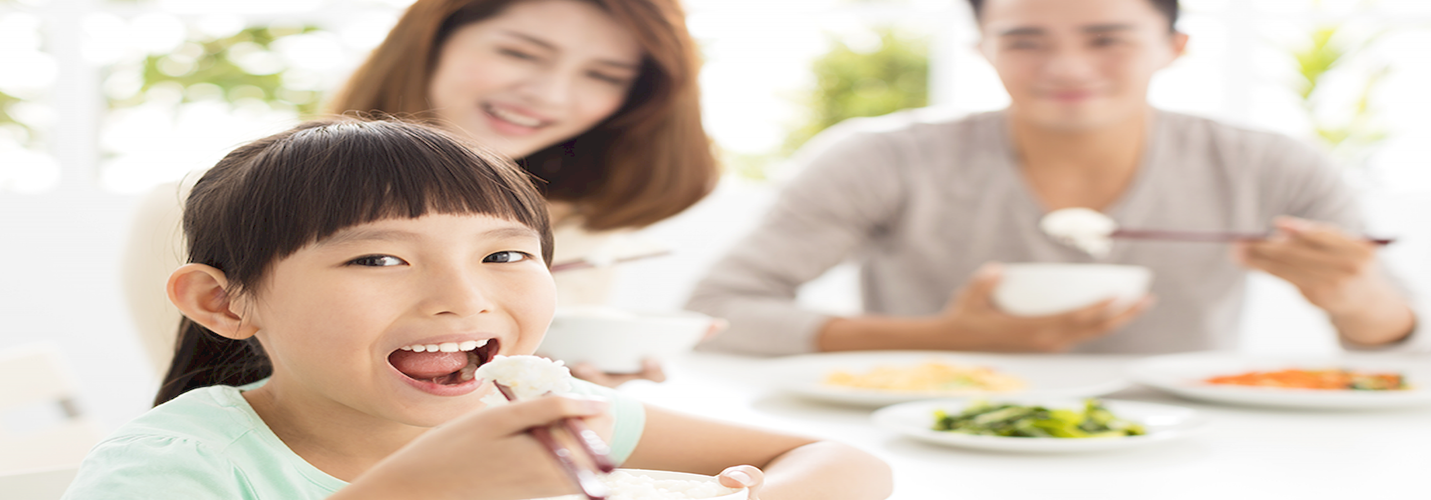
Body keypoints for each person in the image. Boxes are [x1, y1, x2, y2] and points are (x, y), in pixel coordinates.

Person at [68, 120, 891, 500]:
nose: (464, 298)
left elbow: (839, 459)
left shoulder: (535, 412)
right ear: (222, 302)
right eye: (379, 259)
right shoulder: (175, 466)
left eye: (503, 256)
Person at [686, 0, 1431, 356]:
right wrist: (938, 337)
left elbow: (1417, 346)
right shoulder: (881, 158)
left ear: (1175, 46)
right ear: (983, 50)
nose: (1068, 67)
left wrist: (1356, 297)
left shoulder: (1268, 164)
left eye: (1107, 38)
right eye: (1025, 41)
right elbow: (718, 311)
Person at [124, 0, 718, 386]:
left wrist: (572, 390)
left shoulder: (583, 226)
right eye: (518, 52)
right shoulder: (203, 208)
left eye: (605, 76)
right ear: (430, 43)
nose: (551, 95)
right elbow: (220, 406)